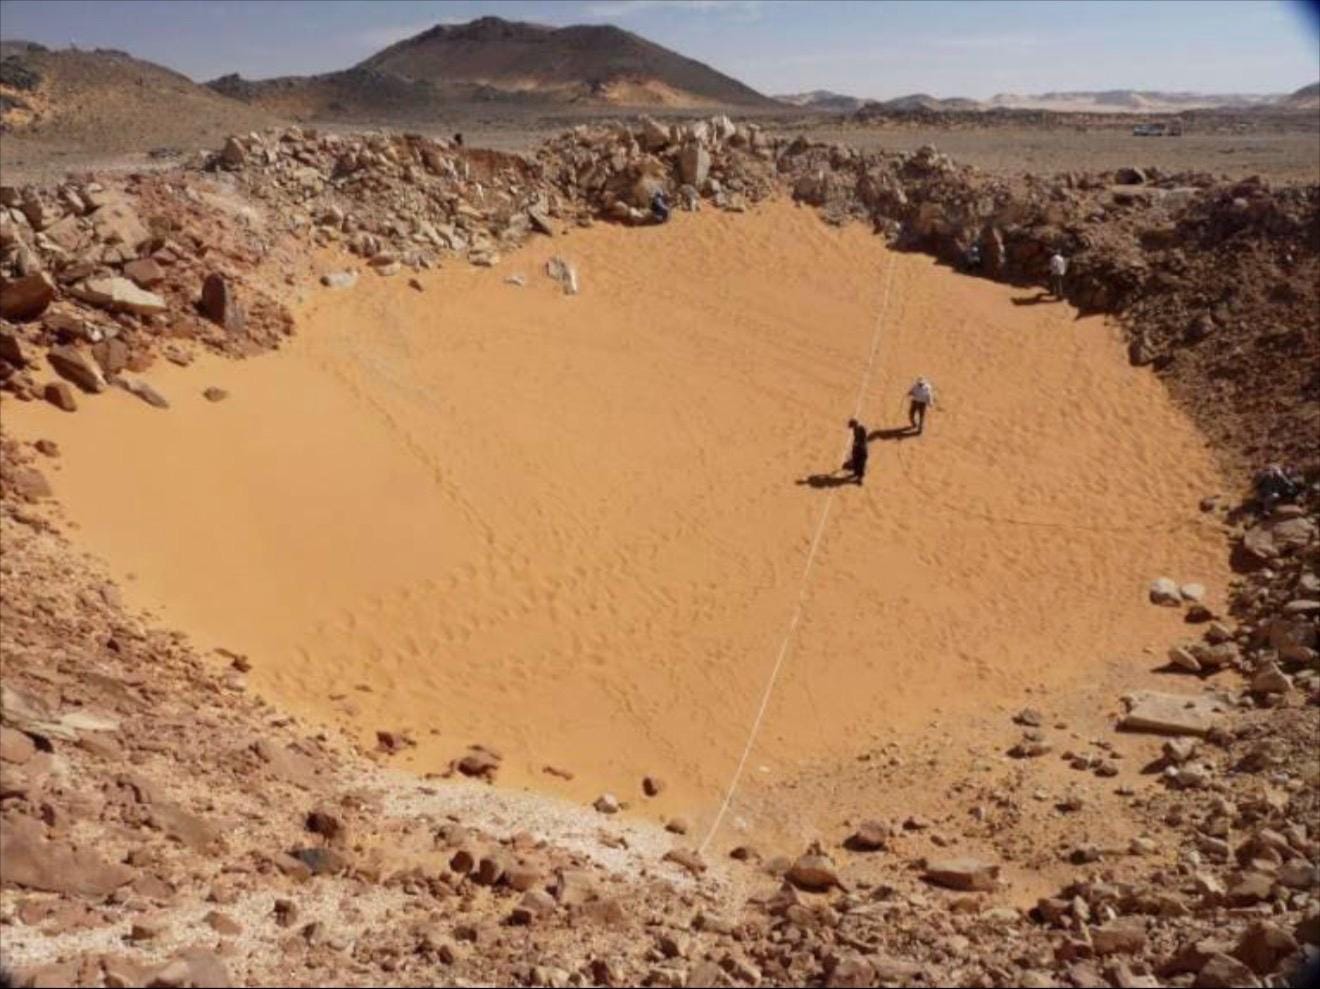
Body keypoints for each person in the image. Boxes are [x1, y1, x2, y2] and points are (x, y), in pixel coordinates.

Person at [843, 418, 868, 485]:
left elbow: (863, 440)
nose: (852, 428)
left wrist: (857, 444)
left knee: (861, 464)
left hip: (862, 450)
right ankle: (855, 474)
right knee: (856, 462)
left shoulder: (862, 429)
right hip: (857, 449)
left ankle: (860, 479)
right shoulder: (855, 430)